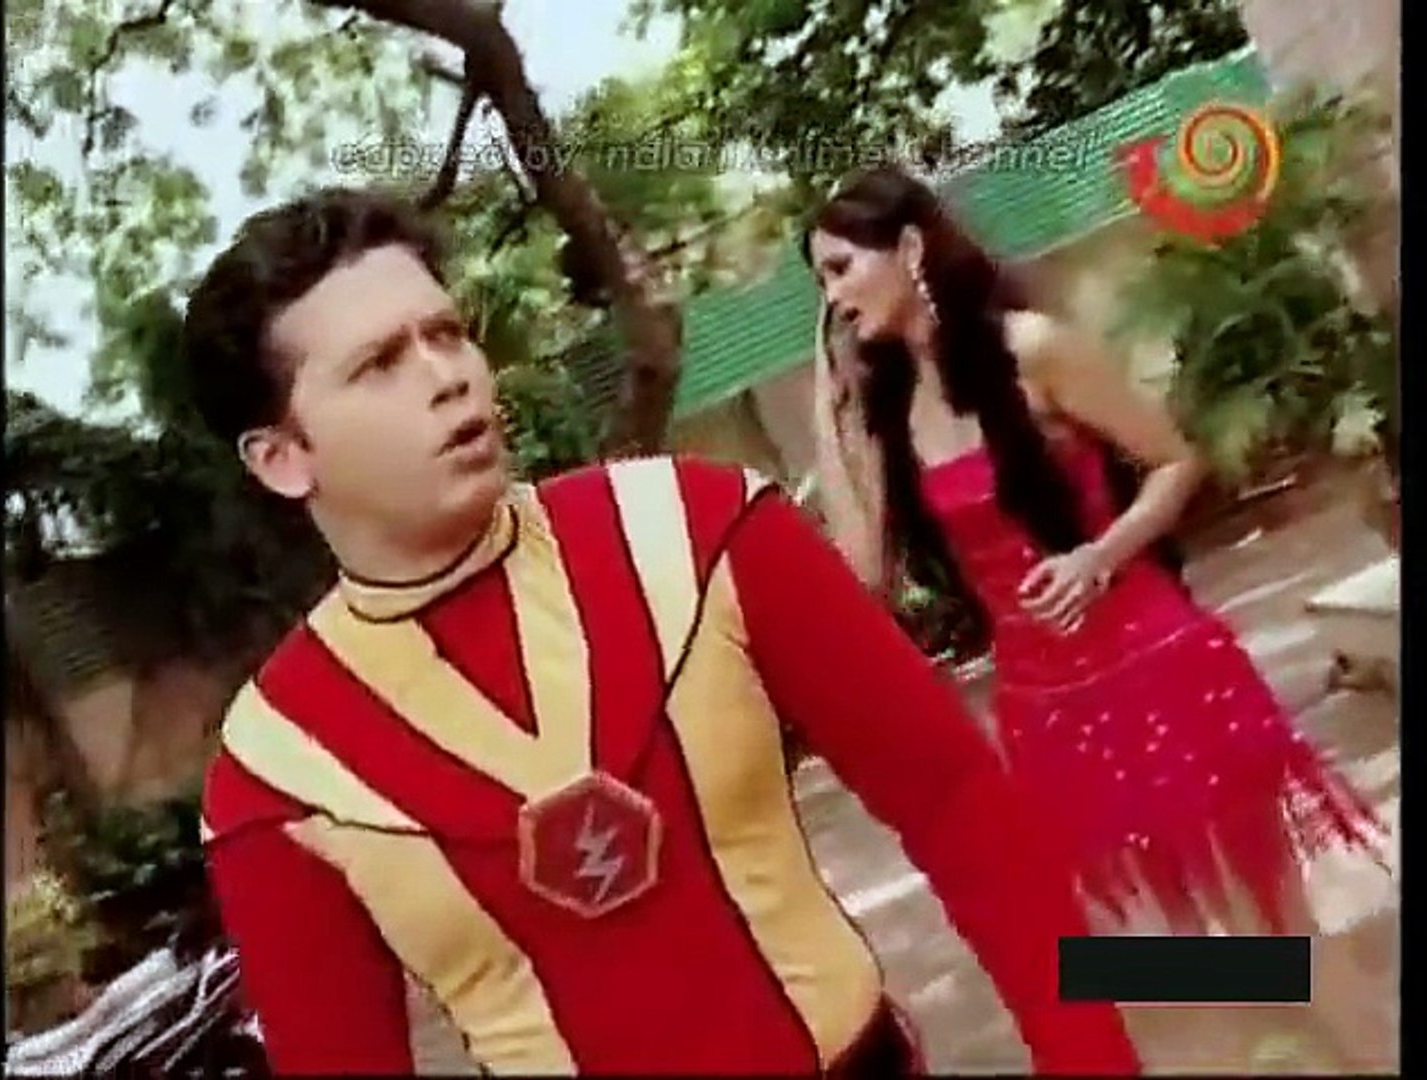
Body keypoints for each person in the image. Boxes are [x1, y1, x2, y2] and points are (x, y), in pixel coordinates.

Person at [184, 188, 1139, 1076]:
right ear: (282, 459)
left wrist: (1090, 1058)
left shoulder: (698, 527)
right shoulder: (279, 770)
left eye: (446, 334)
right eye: (379, 365)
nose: (449, 378)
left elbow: (957, 803)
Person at [804, 165, 1386, 938]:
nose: (833, 298)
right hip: (1045, 712)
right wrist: (830, 407)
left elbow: (1176, 461)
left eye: (841, 268)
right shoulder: (888, 411)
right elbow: (864, 576)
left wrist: (1097, 558)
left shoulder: (1034, 347)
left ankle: (1328, 1010)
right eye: (821, 282)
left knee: (1269, 930)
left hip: (1156, 664)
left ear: (910, 248)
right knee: (1156, 958)